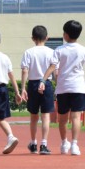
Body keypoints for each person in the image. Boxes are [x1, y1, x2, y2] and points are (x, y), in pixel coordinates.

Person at [39, 20, 85, 156]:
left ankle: (64, 143)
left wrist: (43, 79)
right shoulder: (84, 50)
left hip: (63, 88)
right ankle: (74, 144)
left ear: (65, 34)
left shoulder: (59, 50)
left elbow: (52, 67)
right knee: (76, 118)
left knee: (62, 119)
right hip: (78, 88)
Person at [20, 25, 56, 155]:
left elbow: (25, 70)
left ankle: (33, 143)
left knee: (33, 116)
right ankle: (44, 144)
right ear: (47, 38)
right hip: (46, 83)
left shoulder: (28, 52)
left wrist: (23, 88)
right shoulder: (52, 52)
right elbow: (54, 69)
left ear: (32, 38)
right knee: (45, 116)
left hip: (33, 84)